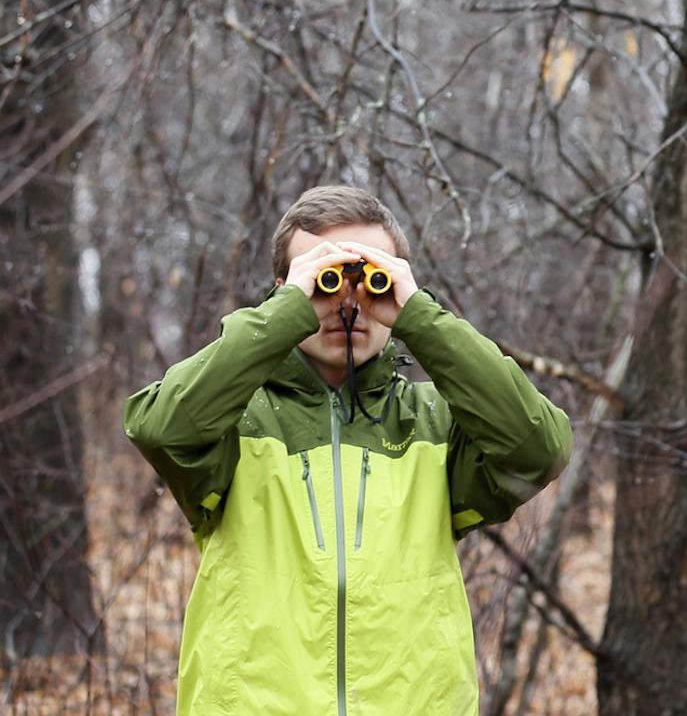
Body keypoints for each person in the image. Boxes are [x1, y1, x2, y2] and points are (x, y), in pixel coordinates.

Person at [124, 184, 573, 715]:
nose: (349, 303)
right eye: (326, 277)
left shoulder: (433, 423)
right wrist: (287, 313)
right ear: (284, 288)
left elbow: (540, 448)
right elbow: (159, 428)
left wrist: (419, 319)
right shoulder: (236, 419)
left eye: (371, 277)